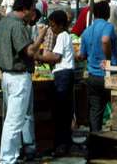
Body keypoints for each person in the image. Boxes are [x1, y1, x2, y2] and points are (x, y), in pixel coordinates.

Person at [0, 0, 47, 164]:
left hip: (7, 76)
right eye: (31, 9)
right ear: (24, 10)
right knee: (14, 121)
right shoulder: (17, 26)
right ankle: (8, 159)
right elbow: (29, 51)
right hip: (18, 77)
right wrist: (41, 35)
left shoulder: (1, 24)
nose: (33, 13)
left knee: (12, 119)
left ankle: (13, 155)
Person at [77, 0, 117, 133]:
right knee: (116, 108)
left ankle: (95, 140)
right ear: (107, 13)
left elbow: (82, 55)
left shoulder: (87, 31)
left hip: (92, 76)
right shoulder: (108, 26)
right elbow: (105, 40)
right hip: (107, 75)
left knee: (95, 110)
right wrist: (107, 59)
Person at [38, 9, 75, 157]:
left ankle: (61, 145)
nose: (51, 30)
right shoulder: (65, 36)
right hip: (65, 74)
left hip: (63, 74)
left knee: (61, 112)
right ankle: (61, 144)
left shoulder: (61, 36)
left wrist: (37, 56)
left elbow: (55, 57)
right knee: (63, 112)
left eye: (53, 26)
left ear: (60, 25)